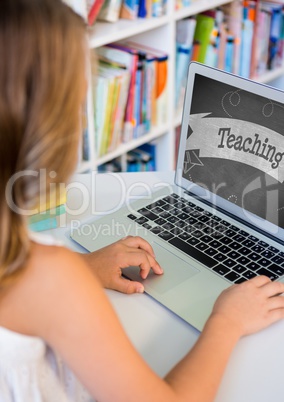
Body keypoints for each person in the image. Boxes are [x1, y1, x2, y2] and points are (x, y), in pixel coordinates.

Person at [1, 1, 284, 401]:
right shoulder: (51, 278)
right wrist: (226, 321)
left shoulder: (40, 271)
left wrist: (84, 266)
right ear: (49, 128)